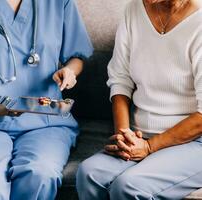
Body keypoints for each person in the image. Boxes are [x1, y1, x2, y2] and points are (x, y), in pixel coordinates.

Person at [0, 0, 93, 199]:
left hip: (45, 121)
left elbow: (77, 57)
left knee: (40, 174)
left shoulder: (60, 3)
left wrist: (70, 71)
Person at [76, 0, 202, 199]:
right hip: (140, 134)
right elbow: (120, 80)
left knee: (129, 186)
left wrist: (150, 147)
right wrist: (124, 137)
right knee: (89, 173)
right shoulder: (134, 9)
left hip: (193, 142)